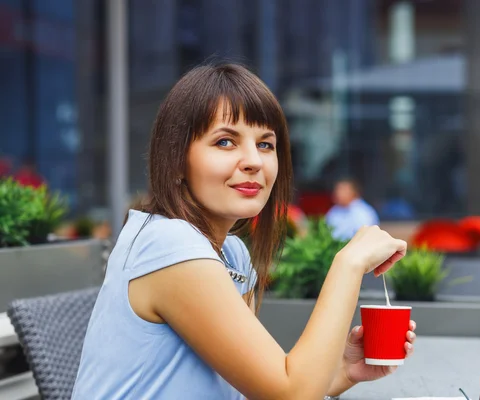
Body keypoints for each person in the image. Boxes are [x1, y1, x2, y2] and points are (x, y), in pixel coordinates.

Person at [72, 64, 415, 400]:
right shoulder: (168, 245)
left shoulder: (231, 252)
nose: (254, 161)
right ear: (176, 160)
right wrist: (349, 263)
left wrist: (342, 370)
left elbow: (257, 389)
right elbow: (290, 395)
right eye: (225, 142)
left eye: (266, 144)